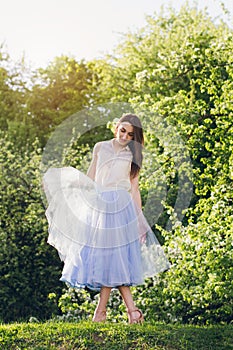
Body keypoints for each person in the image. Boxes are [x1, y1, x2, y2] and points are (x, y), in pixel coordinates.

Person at [42, 113, 170, 324]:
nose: (125, 136)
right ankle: (129, 312)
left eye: (130, 134)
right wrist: (67, 185)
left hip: (121, 207)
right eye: (122, 130)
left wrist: (139, 221)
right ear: (116, 127)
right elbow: (90, 178)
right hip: (101, 206)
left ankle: (105, 313)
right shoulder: (100, 147)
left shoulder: (133, 155)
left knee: (112, 258)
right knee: (108, 259)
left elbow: (134, 189)